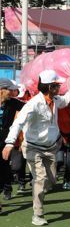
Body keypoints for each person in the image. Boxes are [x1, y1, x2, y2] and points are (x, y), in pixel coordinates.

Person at [2, 70, 70, 226]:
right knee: (40, 178)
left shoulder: (56, 99)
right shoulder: (33, 104)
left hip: (51, 147)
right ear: (50, 87)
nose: (59, 86)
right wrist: (10, 143)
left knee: (51, 180)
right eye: (57, 85)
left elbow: (65, 100)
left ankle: (39, 194)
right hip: (33, 147)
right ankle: (38, 214)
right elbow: (18, 123)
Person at [0, 79, 25, 213]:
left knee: (4, 167)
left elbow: (29, 107)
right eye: (10, 90)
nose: (13, 92)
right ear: (3, 90)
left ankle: (7, 188)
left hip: (5, 142)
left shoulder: (13, 103)